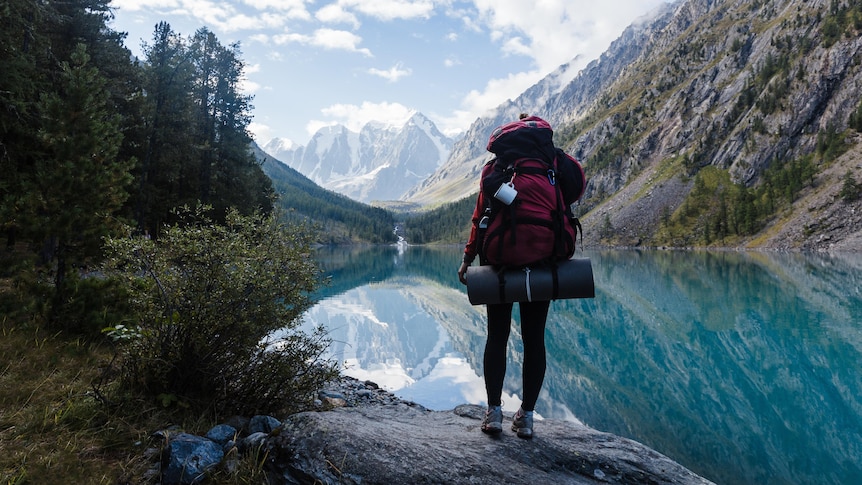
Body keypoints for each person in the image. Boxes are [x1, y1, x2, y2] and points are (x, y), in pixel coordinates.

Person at [457, 113, 557, 440]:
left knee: (496, 336)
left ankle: (494, 414)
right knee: (534, 339)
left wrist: (467, 260)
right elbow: (567, 203)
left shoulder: (495, 170)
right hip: (542, 261)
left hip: (498, 261)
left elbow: (478, 218)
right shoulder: (551, 167)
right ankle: (527, 417)